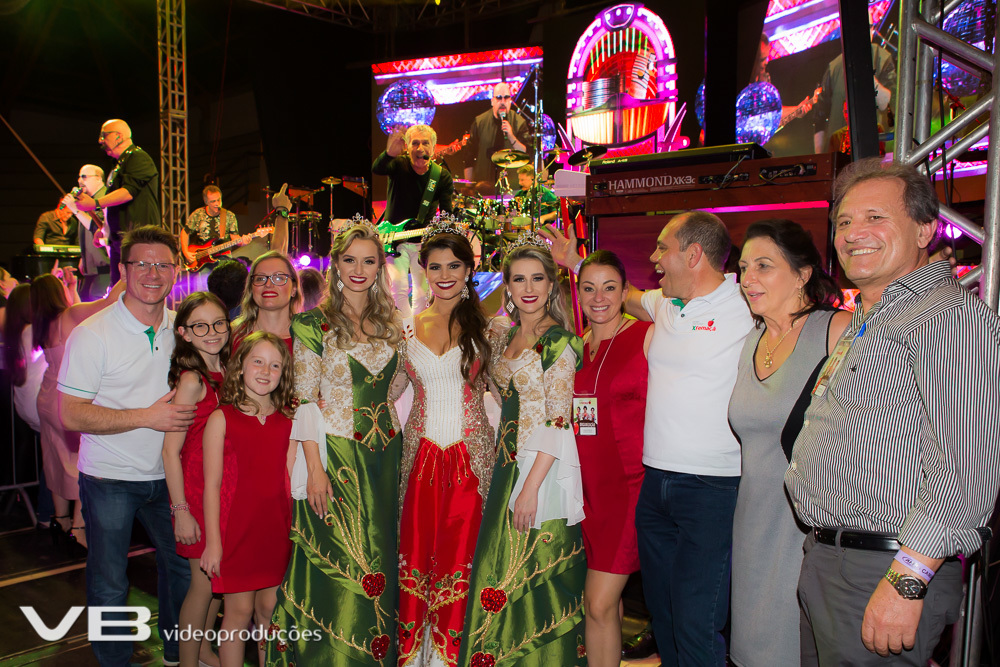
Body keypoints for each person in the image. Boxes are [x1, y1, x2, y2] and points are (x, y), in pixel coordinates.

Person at [785, 158, 1000, 665]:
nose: (853, 233)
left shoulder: (948, 317)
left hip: (884, 570)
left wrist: (906, 583)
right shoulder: (873, 317)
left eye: (875, 217)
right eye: (843, 222)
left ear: (926, 229)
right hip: (834, 561)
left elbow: (966, 473)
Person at [539, 212, 755, 666]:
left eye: (662, 248)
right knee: (665, 617)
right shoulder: (664, 305)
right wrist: (575, 263)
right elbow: (626, 297)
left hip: (709, 486)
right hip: (656, 486)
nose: (654, 258)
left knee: (698, 622)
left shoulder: (743, 301)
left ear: (693, 255)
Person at [266, 221, 404, 666]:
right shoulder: (311, 323)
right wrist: (316, 470)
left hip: (387, 457)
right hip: (337, 457)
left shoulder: (391, 323)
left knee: (380, 555)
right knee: (343, 556)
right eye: (350, 260)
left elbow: (399, 385)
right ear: (336, 265)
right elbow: (304, 401)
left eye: (369, 260)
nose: (359, 269)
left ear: (381, 266)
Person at [58, 225, 193, 666]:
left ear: (177, 270)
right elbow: (70, 413)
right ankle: (114, 661)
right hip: (110, 477)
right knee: (109, 581)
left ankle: (177, 654)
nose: (152, 273)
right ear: (122, 269)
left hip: (171, 478)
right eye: (142, 263)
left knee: (182, 571)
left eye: (163, 264)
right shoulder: (92, 334)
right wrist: (146, 418)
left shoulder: (186, 331)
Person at [727, 219, 850, 667]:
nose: (748, 279)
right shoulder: (750, 342)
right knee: (750, 648)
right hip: (752, 519)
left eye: (764, 265)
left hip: (807, 526)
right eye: (743, 267)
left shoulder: (838, 333)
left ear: (802, 274)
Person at [458, 236, 586, 666]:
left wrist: (530, 488)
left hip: (540, 471)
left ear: (552, 285)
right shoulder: (504, 335)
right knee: (498, 576)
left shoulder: (559, 343)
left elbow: (557, 419)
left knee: (533, 578)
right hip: (506, 466)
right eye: (517, 279)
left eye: (537, 278)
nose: (528, 288)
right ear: (507, 286)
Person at [395, 223, 494, 667]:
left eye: (454, 265)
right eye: (436, 266)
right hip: (420, 459)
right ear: (423, 271)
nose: (445, 274)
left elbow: (513, 390)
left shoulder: (490, 329)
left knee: (462, 559)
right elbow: (382, 390)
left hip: (470, 461)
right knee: (418, 556)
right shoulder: (406, 329)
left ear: (469, 269)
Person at [573, 250, 653, 666]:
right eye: (589, 288)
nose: (598, 297)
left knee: (599, 603)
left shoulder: (647, 335)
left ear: (626, 291)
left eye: (609, 287)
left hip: (629, 489)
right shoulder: (575, 346)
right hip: (586, 492)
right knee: (609, 605)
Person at [201, 331, 295, 667]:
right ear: (240, 366)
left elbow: (289, 482)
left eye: (275, 365)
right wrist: (213, 544)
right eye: (258, 361)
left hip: (275, 532)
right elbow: (210, 486)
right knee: (238, 612)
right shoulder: (221, 418)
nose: (266, 371)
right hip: (237, 532)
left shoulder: (288, 421)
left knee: (269, 610)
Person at [162, 292, 231, 667]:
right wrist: (181, 511)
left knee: (216, 585)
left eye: (219, 323)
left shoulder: (228, 369)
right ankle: (188, 660)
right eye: (201, 326)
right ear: (185, 333)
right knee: (202, 585)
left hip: (222, 490)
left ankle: (203, 651)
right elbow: (170, 451)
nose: (212, 332)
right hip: (196, 491)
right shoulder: (192, 379)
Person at [33, 272, 126, 552]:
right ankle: (78, 526)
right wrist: (126, 273)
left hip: (46, 396)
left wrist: (72, 288)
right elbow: (109, 301)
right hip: (67, 397)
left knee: (54, 460)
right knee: (81, 460)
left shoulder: (44, 323)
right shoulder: (68, 316)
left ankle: (59, 520)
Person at [372, 124, 455, 317]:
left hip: (422, 243)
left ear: (433, 148)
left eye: (425, 143)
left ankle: (417, 332)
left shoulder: (441, 175)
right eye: (415, 143)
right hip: (394, 240)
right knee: (398, 289)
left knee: (422, 291)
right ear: (407, 147)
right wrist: (388, 153)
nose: (420, 148)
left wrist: (447, 229)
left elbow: (447, 213)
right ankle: (407, 330)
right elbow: (378, 168)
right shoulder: (398, 165)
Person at [73, 119, 162, 283]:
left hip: (138, 239)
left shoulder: (138, 157)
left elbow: (128, 192)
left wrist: (94, 203)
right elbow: (115, 204)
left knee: (135, 288)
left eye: (104, 135)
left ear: (119, 136)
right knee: (119, 290)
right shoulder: (118, 165)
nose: (101, 141)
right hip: (120, 239)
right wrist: (105, 229)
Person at [812, 42, 895, 153]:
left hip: (872, 152)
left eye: (870, 27)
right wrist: (820, 158)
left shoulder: (882, 57)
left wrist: (868, 75)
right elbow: (819, 116)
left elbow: (889, 104)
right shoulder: (834, 66)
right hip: (839, 153)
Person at [230, 251, 301, 353]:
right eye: (260, 278)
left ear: (294, 289)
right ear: (251, 288)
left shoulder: (310, 338)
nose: (268, 284)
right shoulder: (233, 336)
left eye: (278, 278)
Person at [61, 164, 111, 301]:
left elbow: (99, 228)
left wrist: (75, 210)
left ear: (98, 179)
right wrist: (84, 257)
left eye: (84, 177)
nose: (80, 181)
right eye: (79, 177)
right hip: (92, 270)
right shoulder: (87, 200)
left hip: (104, 269)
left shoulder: (104, 199)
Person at [464, 82, 529, 185]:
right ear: (492, 101)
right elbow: (469, 156)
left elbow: (526, 154)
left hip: (511, 187)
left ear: (510, 101)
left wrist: (511, 136)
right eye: (499, 98)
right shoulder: (480, 122)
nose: (502, 102)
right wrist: (469, 186)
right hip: (484, 185)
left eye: (506, 98)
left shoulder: (519, 122)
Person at [180, 185, 240, 270]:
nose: (217, 204)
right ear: (206, 201)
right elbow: (185, 232)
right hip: (203, 260)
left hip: (223, 257)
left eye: (219, 200)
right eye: (213, 201)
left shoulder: (229, 216)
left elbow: (235, 237)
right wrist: (185, 252)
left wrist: (242, 241)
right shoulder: (198, 214)